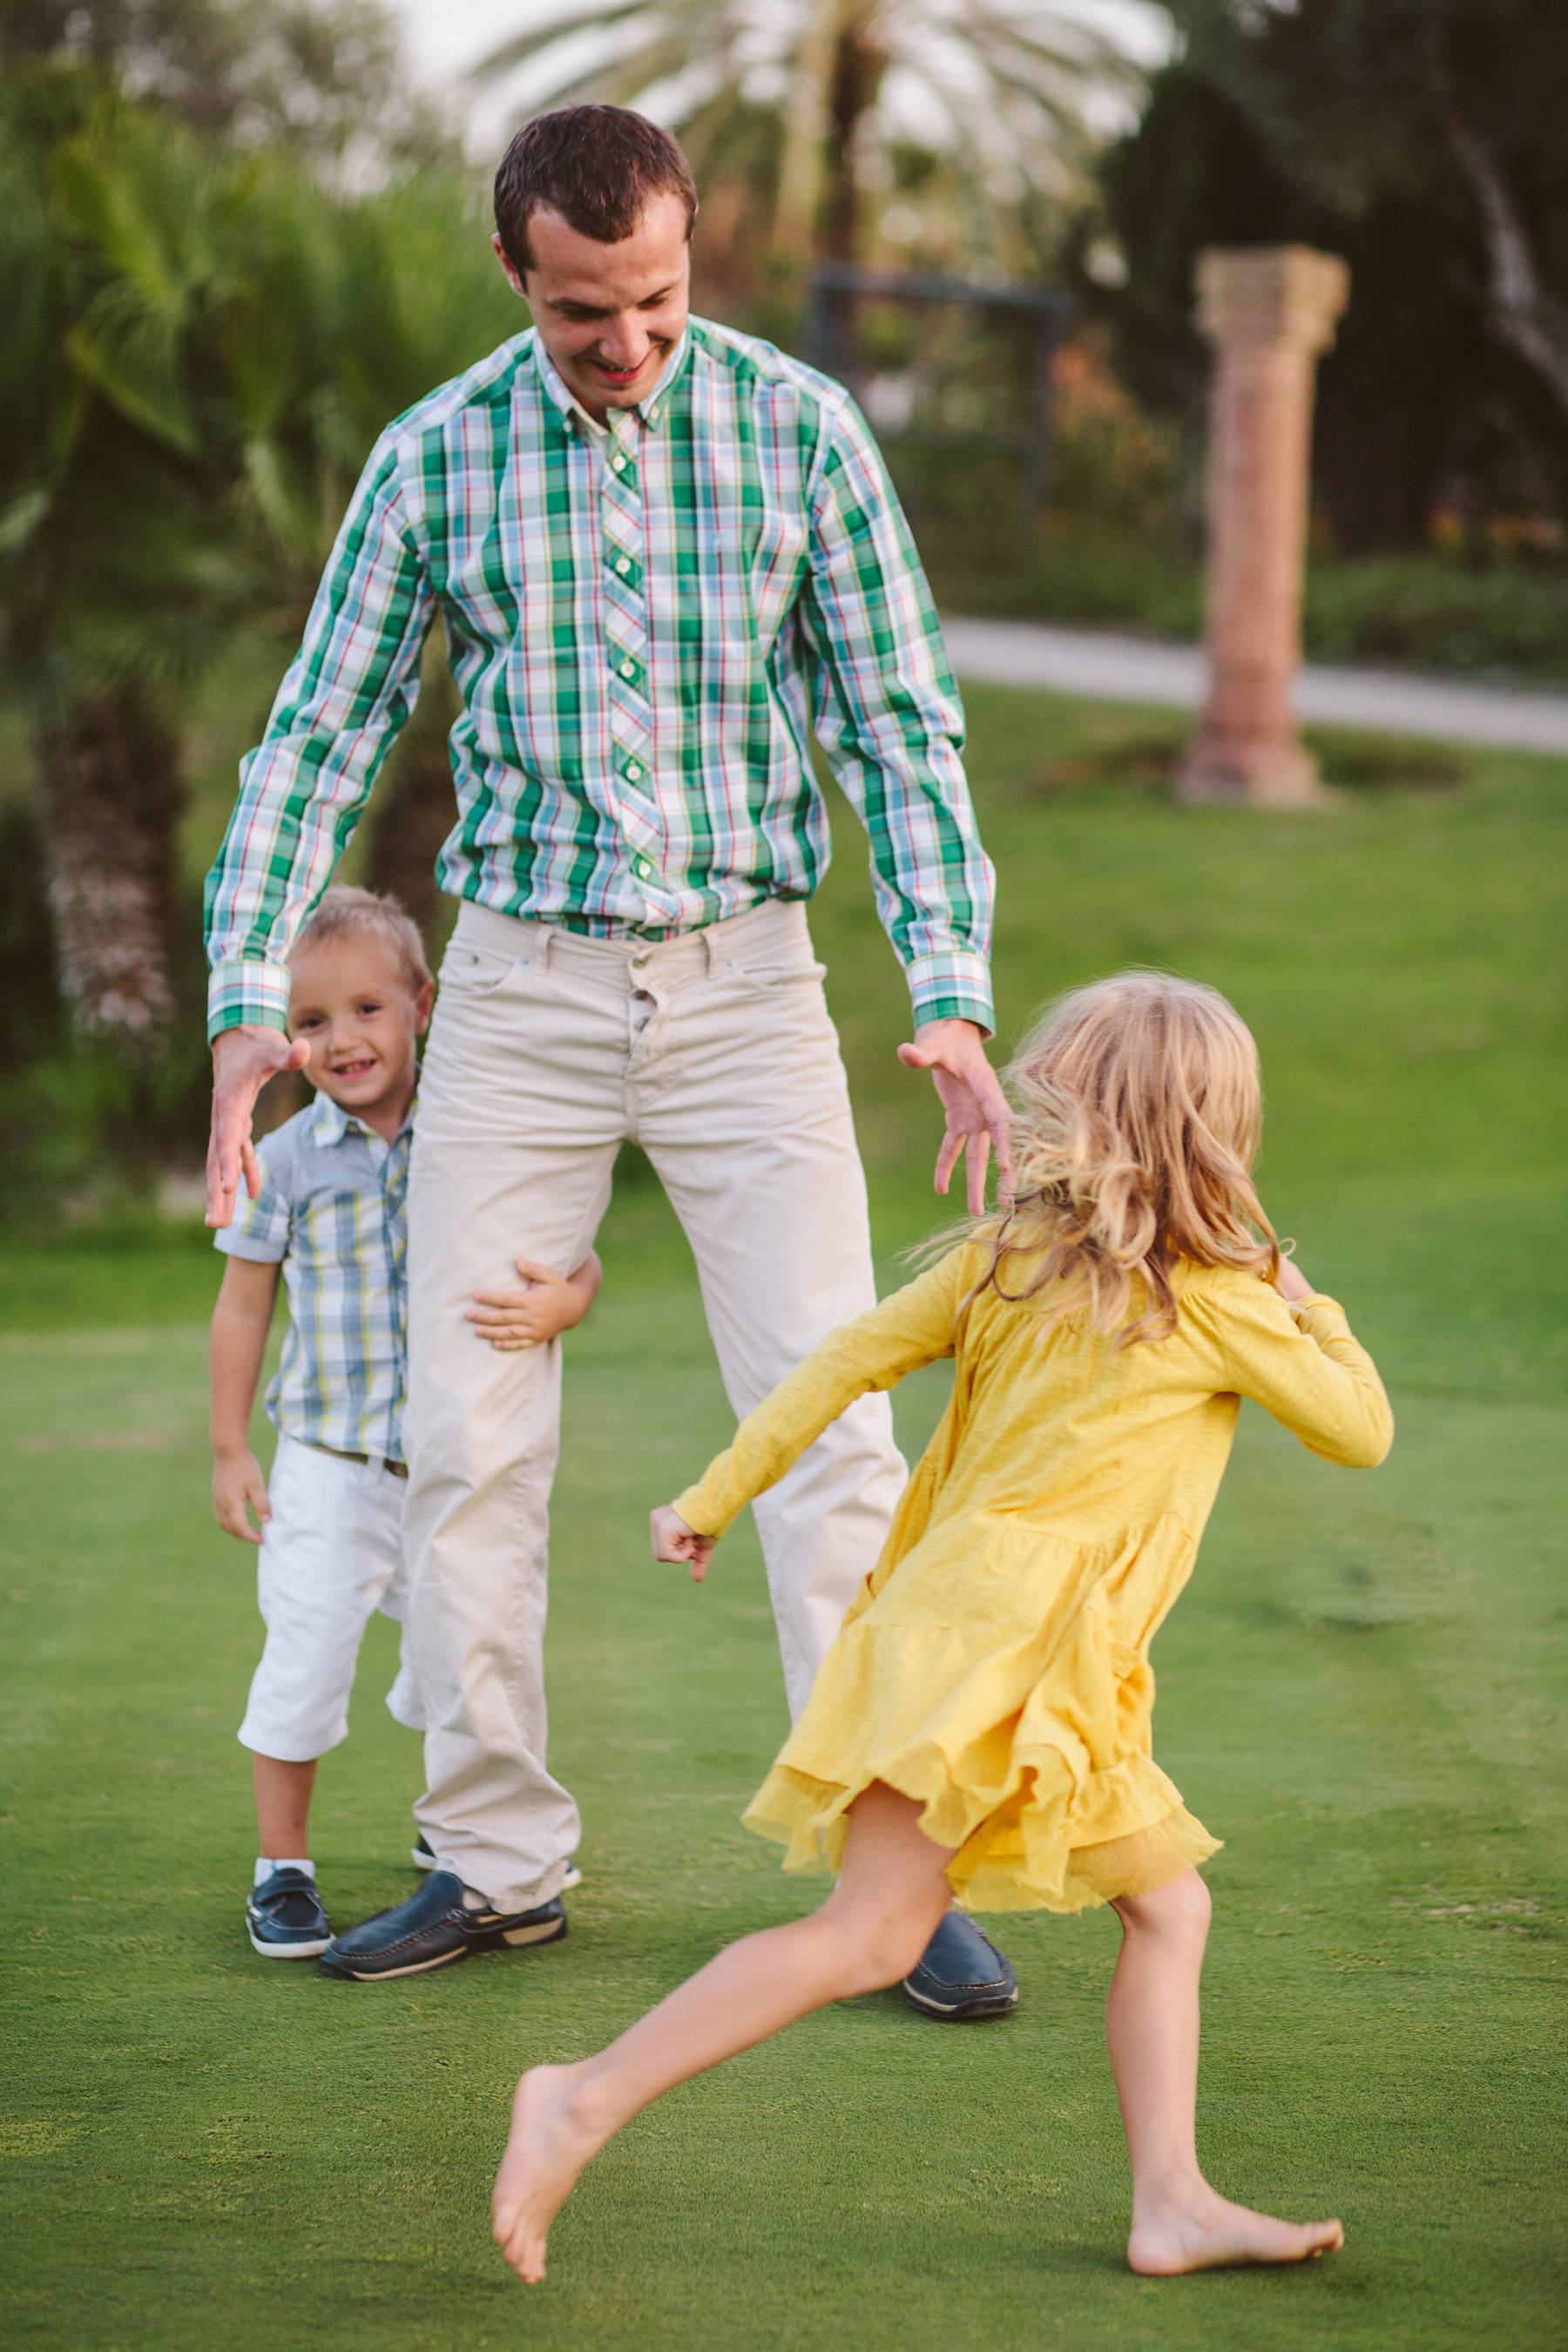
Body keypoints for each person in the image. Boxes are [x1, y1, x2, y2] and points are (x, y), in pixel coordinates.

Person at [203, 103, 1017, 2010]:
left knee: (831, 1422)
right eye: (584, 312)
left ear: (689, 251)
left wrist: (951, 982)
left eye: (653, 297)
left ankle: (884, 1881)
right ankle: (493, 1862)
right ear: (518, 275)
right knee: (467, 1440)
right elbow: (315, 734)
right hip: (524, 995)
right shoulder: (437, 459)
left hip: (747, 992)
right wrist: (255, 990)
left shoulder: (801, 428)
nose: (628, 343)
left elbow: (899, 727)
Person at [490, 971, 1395, 2283]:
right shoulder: (1223, 1296)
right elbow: (1359, 1430)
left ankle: (1173, 2203)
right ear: (1217, 1134)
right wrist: (1297, 1282)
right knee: (870, 1938)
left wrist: (711, 1496)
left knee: (1170, 1909)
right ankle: (577, 2096)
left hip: (1024, 1660)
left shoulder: (1007, 1255)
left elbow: (845, 1358)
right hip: (996, 1658)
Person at [210, 886, 600, 1958]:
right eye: (311, 1021)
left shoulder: (475, 1143)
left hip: (447, 1453)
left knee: (462, 1648)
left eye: (368, 1010)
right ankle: (281, 1866)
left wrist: (566, 1303)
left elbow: (566, 1255)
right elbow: (245, 1302)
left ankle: (465, 1841)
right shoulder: (285, 1162)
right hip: (328, 1466)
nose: (343, 1040)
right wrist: (232, 1446)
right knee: (304, 1657)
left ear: (424, 1004)